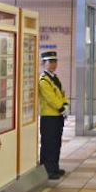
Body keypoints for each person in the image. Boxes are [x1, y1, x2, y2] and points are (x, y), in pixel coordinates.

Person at [38, 51, 69, 180]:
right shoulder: (43, 81)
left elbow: (62, 93)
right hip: (49, 116)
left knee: (56, 142)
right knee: (49, 143)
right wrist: (61, 107)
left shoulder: (55, 78)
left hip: (57, 116)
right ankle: (47, 170)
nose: (53, 64)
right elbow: (50, 98)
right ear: (43, 63)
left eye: (55, 61)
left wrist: (66, 104)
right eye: (50, 62)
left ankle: (55, 167)